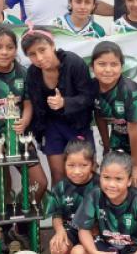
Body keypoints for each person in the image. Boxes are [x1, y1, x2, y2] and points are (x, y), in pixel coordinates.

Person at [0, 26, 48, 202]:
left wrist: (25, 121)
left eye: (10, 47)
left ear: (15, 49)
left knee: (40, 183)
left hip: (20, 138)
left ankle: (20, 226)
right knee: (3, 188)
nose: (4, 52)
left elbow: (28, 104)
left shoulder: (23, 72)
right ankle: (4, 228)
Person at [22, 25, 96, 185]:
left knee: (87, 173)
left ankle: (91, 209)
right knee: (58, 175)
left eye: (42, 50)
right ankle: (60, 210)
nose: (39, 58)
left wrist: (65, 102)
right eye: (32, 54)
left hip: (78, 125)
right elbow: (35, 106)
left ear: (52, 45)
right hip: (52, 128)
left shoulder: (74, 63)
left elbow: (89, 97)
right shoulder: (32, 73)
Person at [92, 41, 137, 186]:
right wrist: (106, 146)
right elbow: (99, 117)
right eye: (102, 64)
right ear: (93, 66)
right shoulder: (93, 86)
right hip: (118, 135)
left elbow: (134, 130)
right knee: (113, 175)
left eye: (114, 64)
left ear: (121, 67)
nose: (108, 70)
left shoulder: (131, 92)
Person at [44, 138, 99, 254]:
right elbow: (57, 214)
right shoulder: (61, 187)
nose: (77, 171)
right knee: (56, 250)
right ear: (64, 164)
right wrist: (59, 231)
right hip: (71, 229)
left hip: (93, 232)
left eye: (83, 165)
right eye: (71, 165)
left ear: (92, 164)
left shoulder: (100, 185)